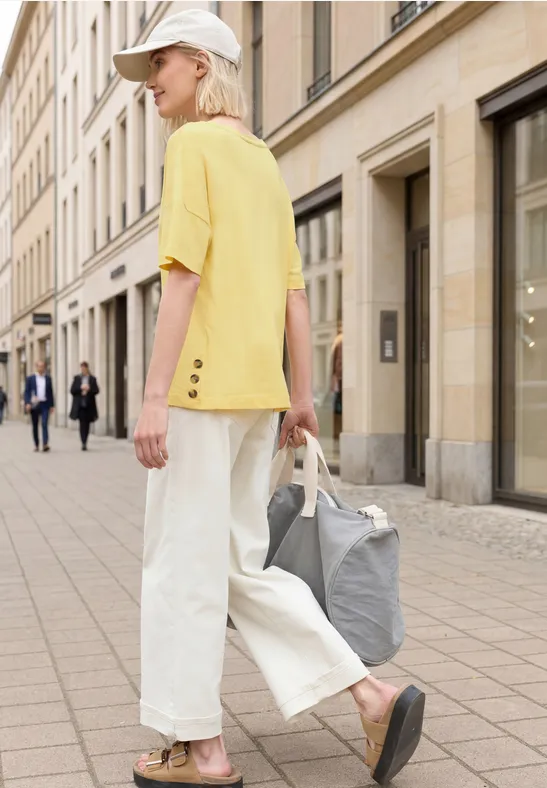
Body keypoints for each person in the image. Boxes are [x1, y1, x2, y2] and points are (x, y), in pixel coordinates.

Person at [113, 10, 424, 788]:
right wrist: (300, 393)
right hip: (256, 400)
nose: (150, 82)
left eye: (158, 65)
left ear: (195, 62)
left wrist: (154, 395)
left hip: (197, 393)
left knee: (179, 570)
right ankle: (370, 691)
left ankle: (200, 750)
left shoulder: (193, 147)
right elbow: (293, 295)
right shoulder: (262, 159)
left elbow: (180, 277)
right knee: (238, 568)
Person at [24, 359, 54, 452]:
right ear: (36, 367)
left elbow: (50, 392)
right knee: (35, 425)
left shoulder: (48, 378)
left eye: (43, 366)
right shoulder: (30, 378)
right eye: (39, 366)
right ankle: (36, 444)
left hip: (45, 404)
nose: (41, 368)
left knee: (44, 423)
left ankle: (45, 443)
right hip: (34, 404)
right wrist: (28, 403)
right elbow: (27, 392)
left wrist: (52, 405)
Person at [70, 361, 100, 451]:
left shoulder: (92, 379)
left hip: (89, 404)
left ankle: (85, 440)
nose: (83, 369)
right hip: (80, 405)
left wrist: (89, 389)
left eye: (84, 368)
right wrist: (80, 388)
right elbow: (72, 390)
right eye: (82, 368)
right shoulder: (77, 378)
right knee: (82, 423)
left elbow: (96, 390)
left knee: (87, 424)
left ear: (87, 368)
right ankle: (83, 442)